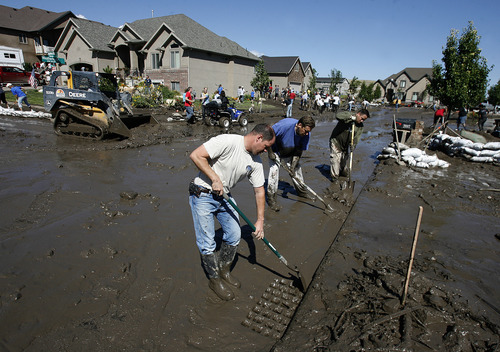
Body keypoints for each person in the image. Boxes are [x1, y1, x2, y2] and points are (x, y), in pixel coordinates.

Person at [188, 124, 276, 300]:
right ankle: (214, 280)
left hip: (224, 196)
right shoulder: (227, 141)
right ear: (258, 138)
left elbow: (259, 190)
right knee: (207, 243)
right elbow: (196, 155)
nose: (266, 151)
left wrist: (260, 221)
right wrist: (215, 178)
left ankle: (224, 270)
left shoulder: (256, 162)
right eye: (266, 146)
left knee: (235, 234)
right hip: (202, 193)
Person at [267, 116, 316, 211]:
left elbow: (299, 151)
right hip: (276, 151)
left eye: (308, 132)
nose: (306, 134)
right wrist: (270, 152)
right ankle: (271, 199)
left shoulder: (306, 134)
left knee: (297, 170)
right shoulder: (283, 126)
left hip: (290, 151)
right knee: (274, 172)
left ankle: (302, 192)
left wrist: (292, 168)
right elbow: (268, 135)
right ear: (299, 125)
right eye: (305, 131)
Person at [329, 109, 370, 181]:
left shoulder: (360, 126)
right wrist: (351, 117)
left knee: (343, 163)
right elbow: (338, 116)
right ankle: (334, 179)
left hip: (345, 146)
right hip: (336, 141)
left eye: (364, 120)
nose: (362, 121)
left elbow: (357, 138)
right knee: (335, 160)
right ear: (358, 114)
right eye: (362, 119)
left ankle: (342, 171)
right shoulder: (348, 115)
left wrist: (353, 145)